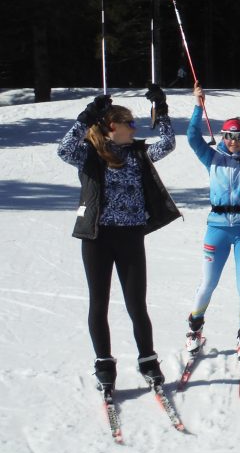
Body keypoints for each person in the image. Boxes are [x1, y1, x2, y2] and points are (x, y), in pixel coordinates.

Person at [57, 88, 180, 391]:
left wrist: (161, 110)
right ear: (114, 126)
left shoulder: (137, 154)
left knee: (136, 303)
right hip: (98, 238)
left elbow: (168, 143)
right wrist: (86, 117)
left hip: (131, 237)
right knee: (98, 303)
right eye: (130, 123)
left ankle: (148, 360)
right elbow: (64, 149)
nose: (135, 128)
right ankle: (104, 364)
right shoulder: (90, 154)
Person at [185, 83, 240, 364]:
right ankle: (194, 329)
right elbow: (191, 137)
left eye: (238, 135)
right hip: (218, 227)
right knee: (207, 284)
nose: (234, 140)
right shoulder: (212, 156)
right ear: (223, 136)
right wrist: (198, 106)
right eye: (229, 135)